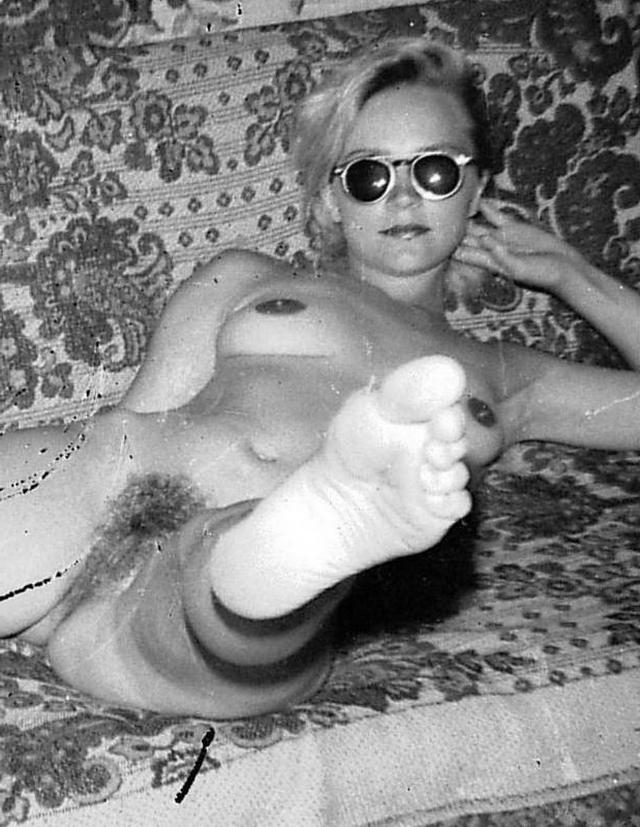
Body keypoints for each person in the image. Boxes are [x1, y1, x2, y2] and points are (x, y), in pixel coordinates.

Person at [2, 37, 640, 718]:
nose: (402, 196)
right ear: (334, 200)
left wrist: (570, 273)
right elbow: (142, 416)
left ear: (477, 189)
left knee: (247, 582)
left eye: (434, 171)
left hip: (243, 597)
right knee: (117, 492)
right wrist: (67, 582)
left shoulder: (509, 372)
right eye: (369, 176)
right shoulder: (246, 278)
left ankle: (309, 528)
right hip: (101, 488)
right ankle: (288, 537)